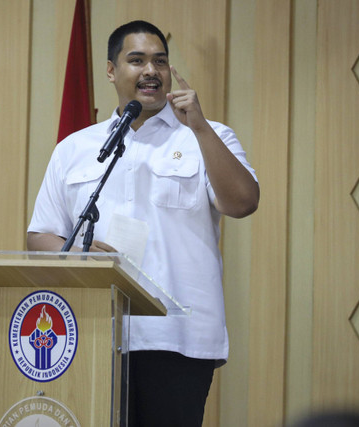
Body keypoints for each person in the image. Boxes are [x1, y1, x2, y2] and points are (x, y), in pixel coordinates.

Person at [27, 20, 259, 427]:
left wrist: (199, 126)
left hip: (178, 338)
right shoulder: (75, 149)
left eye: (160, 61)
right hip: (94, 335)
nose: (151, 70)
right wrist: (79, 257)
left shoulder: (207, 135)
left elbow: (243, 202)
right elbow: (40, 236)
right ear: (111, 71)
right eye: (137, 60)